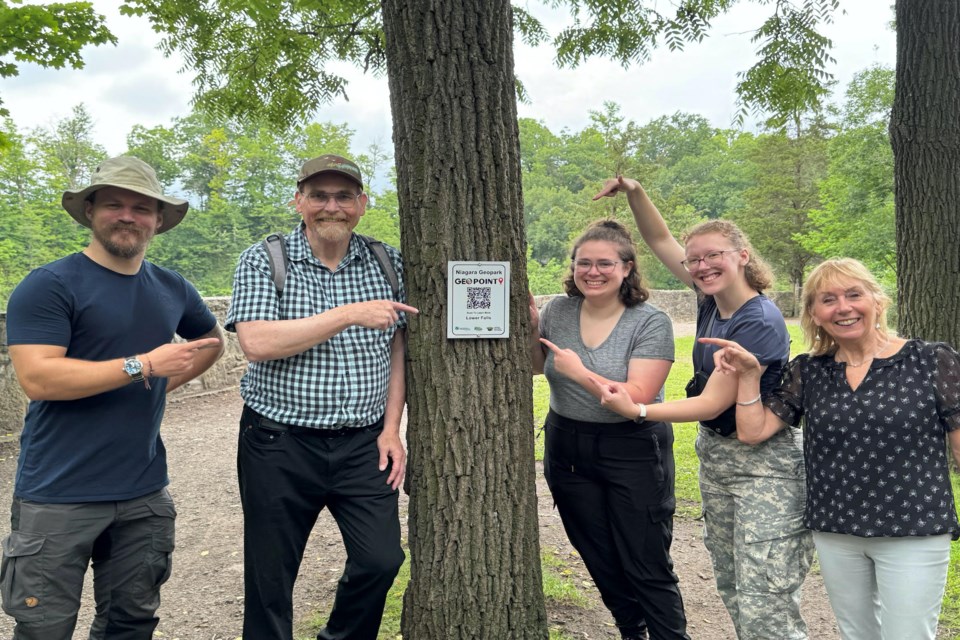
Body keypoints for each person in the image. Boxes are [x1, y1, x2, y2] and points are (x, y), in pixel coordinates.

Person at [2, 156, 224, 640]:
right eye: (114, 204)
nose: (128, 216)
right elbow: (37, 379)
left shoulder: (170, 286)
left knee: (131, 624)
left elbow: (213, 343)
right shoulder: (50, 285)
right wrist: (143, 367)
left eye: (142, 208)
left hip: (143, 493)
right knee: (43, 629)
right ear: (90, 212)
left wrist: (156, 384)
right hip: (57, 495)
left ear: (159, 220)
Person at [593, 177, 814, 640]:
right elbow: (659, 239)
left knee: (765, 597)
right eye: (694, 259)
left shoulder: (759, 320)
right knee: (733, 585)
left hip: (763, 465)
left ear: (742, 256)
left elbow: (713, 400)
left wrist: (638, 410)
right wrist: (635, 193)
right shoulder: (709, 298)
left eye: (714, 255)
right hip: (717, 456)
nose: (702, 265)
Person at [700, 258, 960, 640]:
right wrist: (750, 376)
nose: (843, 307)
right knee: (857, 634)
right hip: (837, 529)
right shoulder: (810, 370)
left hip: (913, 528)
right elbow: (753, 432)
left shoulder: (930, 360)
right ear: (815, 315)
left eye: (854, 294)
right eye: (828, 300)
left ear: (877, 300)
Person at [226, 154, 418, 640]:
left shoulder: (386, 261)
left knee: (381, 559)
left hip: (362, 444)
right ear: (299, 201)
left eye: (343, 196)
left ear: (361, 204)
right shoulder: (266, 257)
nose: (331, 206)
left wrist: (392, 427)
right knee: (270, 577)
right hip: (277, 442)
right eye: (319, 196)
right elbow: (257, 342)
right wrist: (348, 314)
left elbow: (399, 348)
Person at [530, 219, 689, 640]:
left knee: (645, 558)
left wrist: (580, 372)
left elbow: (637, 396)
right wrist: (532, 327)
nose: (593, 272)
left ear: (627, 268)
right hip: (567, 447)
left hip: (632, 448)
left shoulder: (649, 321)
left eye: (604, 263)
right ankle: (631, 630)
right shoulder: (557, 311)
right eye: (584, 263)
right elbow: (536, 365)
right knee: (597, 553)